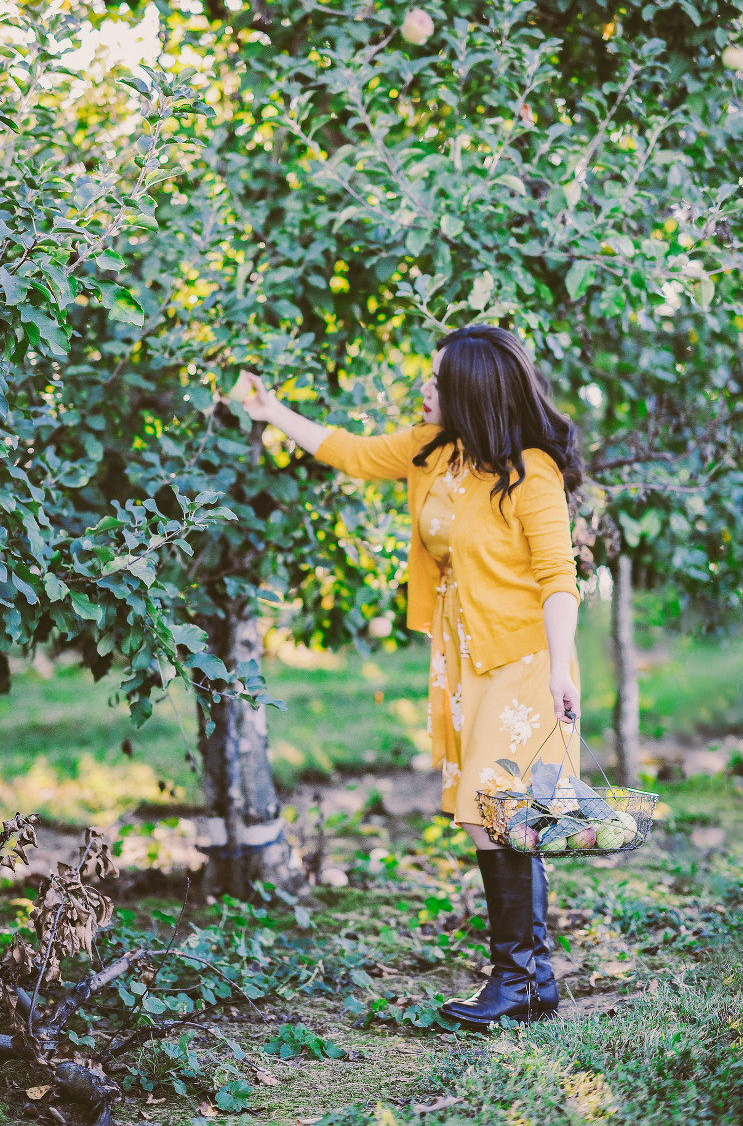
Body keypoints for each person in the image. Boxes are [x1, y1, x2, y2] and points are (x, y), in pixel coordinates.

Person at [230, 324, 583, 1026]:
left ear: (471, 392)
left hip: (525, 660)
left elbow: (558, 578)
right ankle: (531, 981)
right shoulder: (434, 450)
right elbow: (352, 452)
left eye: (437, 380)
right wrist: (272, 413)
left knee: (493, 810)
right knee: (499, 815)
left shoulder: (529, 472)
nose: (424, 388)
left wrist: (561, 669)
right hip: (464, 660)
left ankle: (518, 980)